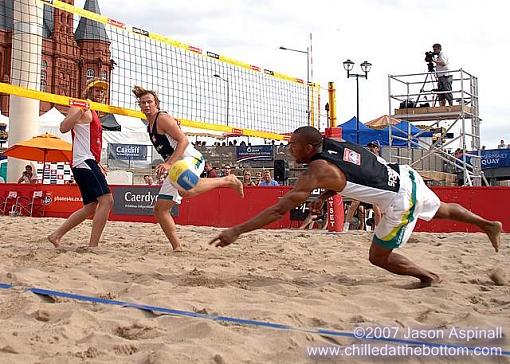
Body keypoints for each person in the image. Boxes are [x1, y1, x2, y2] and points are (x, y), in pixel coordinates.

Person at [210, 126, 502, 285]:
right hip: (405, 176)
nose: (290, 150)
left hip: (401, 199)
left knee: (378, 257)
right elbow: (355, 173)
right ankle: (489, 224)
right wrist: (326, 195)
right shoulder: (339, 145)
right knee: (443, 209)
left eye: (294, 147)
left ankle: (429, 277)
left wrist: (237, 230)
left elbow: (278, 210)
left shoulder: (317, 170)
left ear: (310, 148)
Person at [132, 86, 243, 251]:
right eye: (143, 103)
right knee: (160, 209)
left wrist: (169, 163)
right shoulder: (149, 125)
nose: (146, 105)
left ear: (156, 104)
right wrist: (167, 164)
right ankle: (177, 247)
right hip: (176, 165)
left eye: (150, 102)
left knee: (185, 189)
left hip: (190, 158)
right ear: (139, 106)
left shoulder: (162, 118)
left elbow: (183, 141)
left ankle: (227, 180)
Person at [48, 78, 113, 248]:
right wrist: (81, 109)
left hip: (87, 161)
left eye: (102, 91)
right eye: (96, 90)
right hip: (83, 161)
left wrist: (97, 163)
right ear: (88, 91)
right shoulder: (80, 106)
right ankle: (93, 246)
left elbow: (89, 142)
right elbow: (63, 127)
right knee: (107, 201)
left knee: (91, 206)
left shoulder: (95, 111)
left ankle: (56, 235)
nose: (100, 93)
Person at [344, 141, 383, 231]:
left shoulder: (381, 161)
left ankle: (377, 229)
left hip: (374, 186)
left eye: (374, 146)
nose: (371, 148)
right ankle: (345, 226)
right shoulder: (365, 159)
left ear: (378, 149)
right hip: (365, 185)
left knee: (376, 208)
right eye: (370, 147)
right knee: (354, 204)